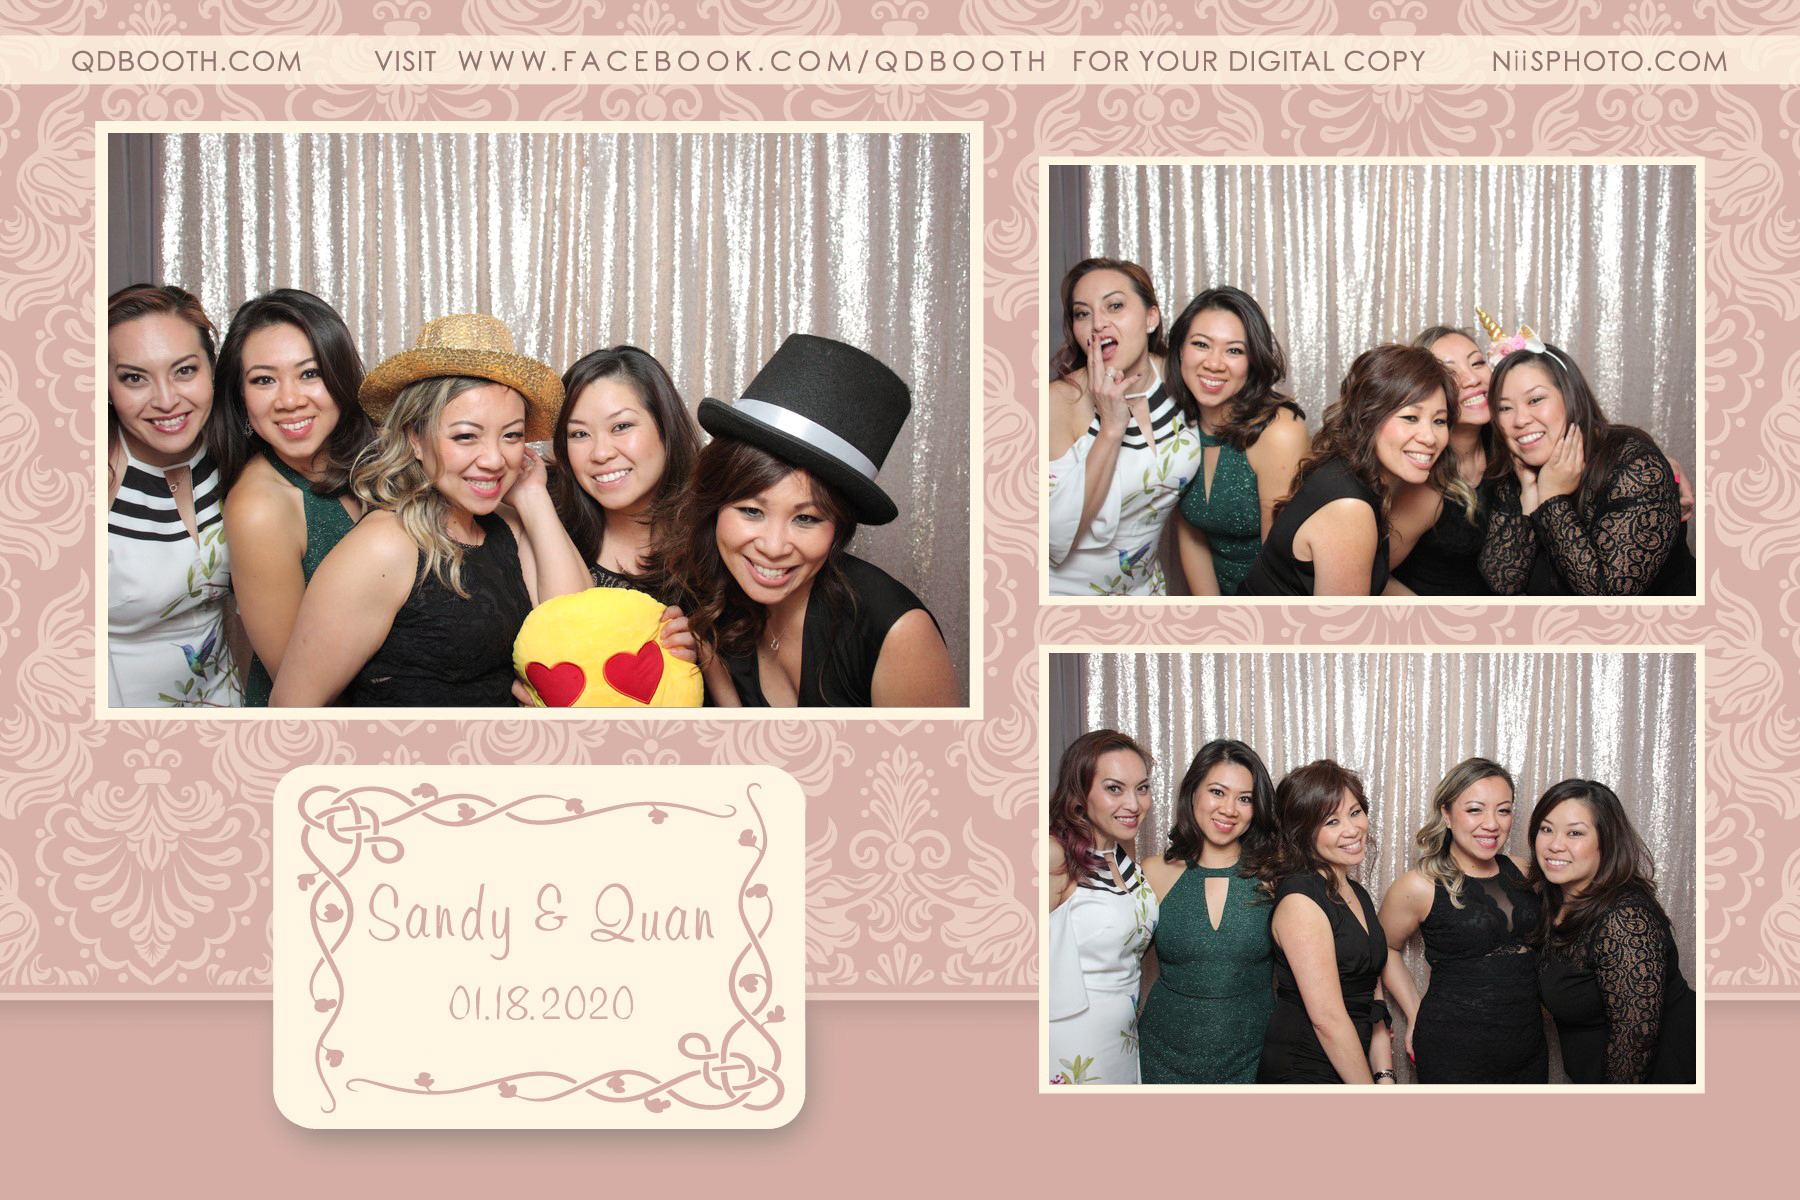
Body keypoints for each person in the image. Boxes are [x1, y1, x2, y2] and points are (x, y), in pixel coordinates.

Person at [270, 314, 591, 706]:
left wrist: (532, 496)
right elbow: (290, 712)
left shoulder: (506, 524)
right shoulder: (383, 547)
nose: (494, 459)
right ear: (415, 438)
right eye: (466, 436)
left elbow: (579, 636)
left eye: (511, 435)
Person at [659, 333, 959, 707]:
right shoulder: (713, 596)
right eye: (751, 511)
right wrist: (707, 666)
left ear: (839, 527)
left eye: (806, 518)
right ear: (715, 505)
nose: (773, 547)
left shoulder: (898, 633)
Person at [214, 289, 376, 706]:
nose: (289, 400)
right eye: (263, 380)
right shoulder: (259, 508)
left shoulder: (375, 463)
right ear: (240, 395)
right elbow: (300, 689)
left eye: (309, 373)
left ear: (341, 376)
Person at [105, 283, 242, 707]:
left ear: (212, 369)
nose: (166, 401)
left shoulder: (235, 451)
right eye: (134, 378)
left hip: (225, 704)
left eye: (184, 371)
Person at [1239, 343, 1466, 597]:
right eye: (1410, 417)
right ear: (1367, 417)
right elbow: (1345, 622)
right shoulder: (1349, 507)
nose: (1430, 437)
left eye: (1439, 421)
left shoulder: (1347, 471)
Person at [1481, 338, 1696, 595]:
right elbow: (1503, 586)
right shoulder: (1517, 470)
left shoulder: (1635, 466)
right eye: (1505, 408)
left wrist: (1552, 498)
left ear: (1569, 395)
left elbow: (1606, 598)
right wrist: (1530, 492)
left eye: (1535, 400)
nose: (1520, 420)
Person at [1377, 758, 1547, 1083]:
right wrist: (1414, 1012)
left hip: (1527, 1045)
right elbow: (1383, 948)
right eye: (1474, 810)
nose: (1491, 824)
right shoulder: (1419, 885)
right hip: (1452, 1047)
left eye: (1503, 810)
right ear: (1446, 814)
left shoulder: (1523, 871)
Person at [1047, 258, 1201, 595]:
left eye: (1114, 306)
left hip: (1146, 594)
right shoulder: (1056, 403)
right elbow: (1054, 540)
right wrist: (1111, 429)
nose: (1097, 324)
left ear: (1151, 318)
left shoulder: (1182, 379)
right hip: (1065, 599)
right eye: (1082, 313)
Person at [1531, 779, 1696, 1083]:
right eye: (1546, 829)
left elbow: (1635, 1045)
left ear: (1606, 841)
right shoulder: (1549, 899)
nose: (1555, 844)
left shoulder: (1624, 920)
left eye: (1575, 833)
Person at [1137, 739, 1278, 1083]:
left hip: (1254, 1057)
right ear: (1192, 793)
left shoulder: (1275, 877)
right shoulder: (1154, 872)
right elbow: (1114, 962)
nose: (1229, 809)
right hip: (1160, 1056)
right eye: (1217, 792)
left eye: (1244, 799)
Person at [1257, 760, 1394, 1084]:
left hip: (1353, 1065)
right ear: (1303, 832)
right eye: (1332, 821)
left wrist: (1384, 1075)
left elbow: (1372, 994)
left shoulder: (1357, 893)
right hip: (1304, 1067)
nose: (1352, 829)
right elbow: (1327, 1019)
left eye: (1355, 812)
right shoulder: (1300, 900)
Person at [1166, 287, 1309, 596]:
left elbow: (1277, 562)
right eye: (1201, 344)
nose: (1214, 363)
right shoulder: (1175, 425)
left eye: (1234, 351)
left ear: (1253, 361)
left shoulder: (1279, 432)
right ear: (1179, 351)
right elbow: (1192, 535)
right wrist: (1212, 614)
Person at [1047, 730, 1158, 1084]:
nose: (1134, 804)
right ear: (1080, 793)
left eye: (1142, 788)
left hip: (1123, 1034)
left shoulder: (1122, 854)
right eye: (1114, 788)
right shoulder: (1053, 854)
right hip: (1071, 1034)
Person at [548, 344, 701, 592]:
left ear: (665, 426)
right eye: (579, 433)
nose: (601, 453)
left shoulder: (716, 530)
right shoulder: (543, 516)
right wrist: (534, 503)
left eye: (621, 427)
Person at [1387, 326, 1496, 596]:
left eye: (1477, 363)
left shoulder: (1508, 447)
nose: (1471, 379)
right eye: (1449, 372)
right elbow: (1370, 577)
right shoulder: (1423, 486)